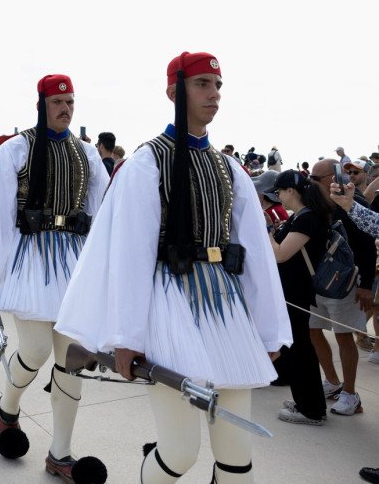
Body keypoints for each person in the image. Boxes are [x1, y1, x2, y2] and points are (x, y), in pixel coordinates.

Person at [56, 52, 291, 483]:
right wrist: (127, 337)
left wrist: (269, 330)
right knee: (180, 453)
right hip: (170, 307)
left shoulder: (229, 169)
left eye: (218, 86)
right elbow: (130, 255)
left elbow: (254, 253)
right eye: (202, 84)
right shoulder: (147, 162)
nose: (214, 94)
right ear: (173, 92)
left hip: (227, 312)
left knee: (237, 459)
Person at [0, 75, 108, 478]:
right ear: (42, 104)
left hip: (72, 260)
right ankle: (8, 405)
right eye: (59, 101)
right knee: (38, 349)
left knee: (72, 359)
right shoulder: (16, 149)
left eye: (71, 102)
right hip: (29, 258)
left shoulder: (87, 154)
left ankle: (60, 453)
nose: (66, 108)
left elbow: (102, 213)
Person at [307, 159, 375, 416]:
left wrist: (366, 285)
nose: (311, 183)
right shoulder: (319, 199)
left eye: (316, 178)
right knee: (313, 331)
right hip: (321, 280)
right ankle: (333, 383)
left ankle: (350, 393)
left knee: (343, 335)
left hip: (348, 281)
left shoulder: (352, 200)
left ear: (332, 177)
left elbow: (368, 243)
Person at [266, 170, 330, 425]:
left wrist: (266, 230)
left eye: (279, 191)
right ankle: (307, 402)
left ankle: (311, 409)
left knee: (300, 348)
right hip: (292, 291)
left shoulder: (308, 219)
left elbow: (281, 253)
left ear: (290, 191)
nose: (278, 196)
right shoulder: (301, 217)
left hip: (296, 293)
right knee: (297, 348)